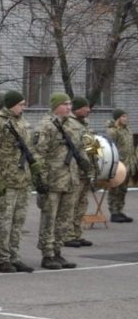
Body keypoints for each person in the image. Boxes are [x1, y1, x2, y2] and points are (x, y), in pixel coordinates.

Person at [0, 90, 36, 273]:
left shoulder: (22, 122)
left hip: (22, 179)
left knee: (18, 221)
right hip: (6, 179)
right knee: (4, 221)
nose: (24, 107)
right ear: (10, 104)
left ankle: (15, 255)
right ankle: (3, 257)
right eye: (20, 104)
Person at [32, 93, 86, 270]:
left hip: (70, 179)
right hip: (52, 180)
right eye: (65, 104)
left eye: (70, 104)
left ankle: (57, 251)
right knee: (49, 218)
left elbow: (80, 149)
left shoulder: (74, 126)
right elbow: (38, 154)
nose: (69, 107)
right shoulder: (46, 126)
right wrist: (41, 179)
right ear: (55, 106)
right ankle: (47, 254)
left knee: (64, 218)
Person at [64, 97, 94, 248]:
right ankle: (67, 235)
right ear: (77, 109)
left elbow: (91, 146)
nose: (88, 110)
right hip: (74, 170)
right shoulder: (68, 123)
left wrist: (94, 165)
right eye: (85, 107)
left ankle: (77, 233)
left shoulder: (85, 124)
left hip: (86, 170)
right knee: (71, 203)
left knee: (82, 203)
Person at [107, 109, 135, 223]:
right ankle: (113, 212)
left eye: (126, 116)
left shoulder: (127, 130)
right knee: (115, 188)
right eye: (123, 116)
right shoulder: (113, 131)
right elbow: (109, 148)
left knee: (123, 189)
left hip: (128, 163)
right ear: (118, 118)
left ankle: (119, 210)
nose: (125, 118)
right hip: (117, 164)